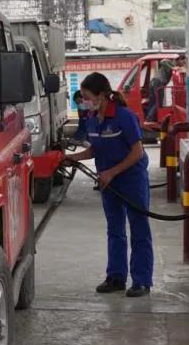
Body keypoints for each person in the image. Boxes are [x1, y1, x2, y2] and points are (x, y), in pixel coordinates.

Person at [65, 72, 153, 297]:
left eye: (86, 96)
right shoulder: (93, 118)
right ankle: (116, 277)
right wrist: (72, 158)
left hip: (131, 179)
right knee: (114, 230)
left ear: (102, 95)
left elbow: (137, 151)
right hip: (108, 180)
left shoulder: (124, 116)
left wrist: (112, 172)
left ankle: (142, 280)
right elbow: (96, 148)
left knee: (139, 229)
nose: (83, 101)